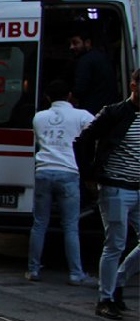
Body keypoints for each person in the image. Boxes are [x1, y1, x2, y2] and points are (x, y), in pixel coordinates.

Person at [75, 68, 139, 320]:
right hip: (115, 187)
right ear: (134, 86)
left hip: (138, 187)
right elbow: (83, 140)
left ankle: (118, 283)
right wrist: (89, 174)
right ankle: (105, 298)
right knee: (115, 244)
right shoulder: (115, 113)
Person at [27, 79, 96, 286]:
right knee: (70, 226)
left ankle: (33, 270)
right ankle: (76, 273)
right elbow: (99, 127)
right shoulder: (81, 115)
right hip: (68, 173)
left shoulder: (39, 117)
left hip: (44, 172)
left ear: (48, 97)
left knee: (39, 223)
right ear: (69, 95)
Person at [70, 31, 116, 116]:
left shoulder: (85, 61)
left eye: (75, 43)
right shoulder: (104, 57)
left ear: (87, 42)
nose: (71, 47)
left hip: (91, 112)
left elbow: (80, 89)